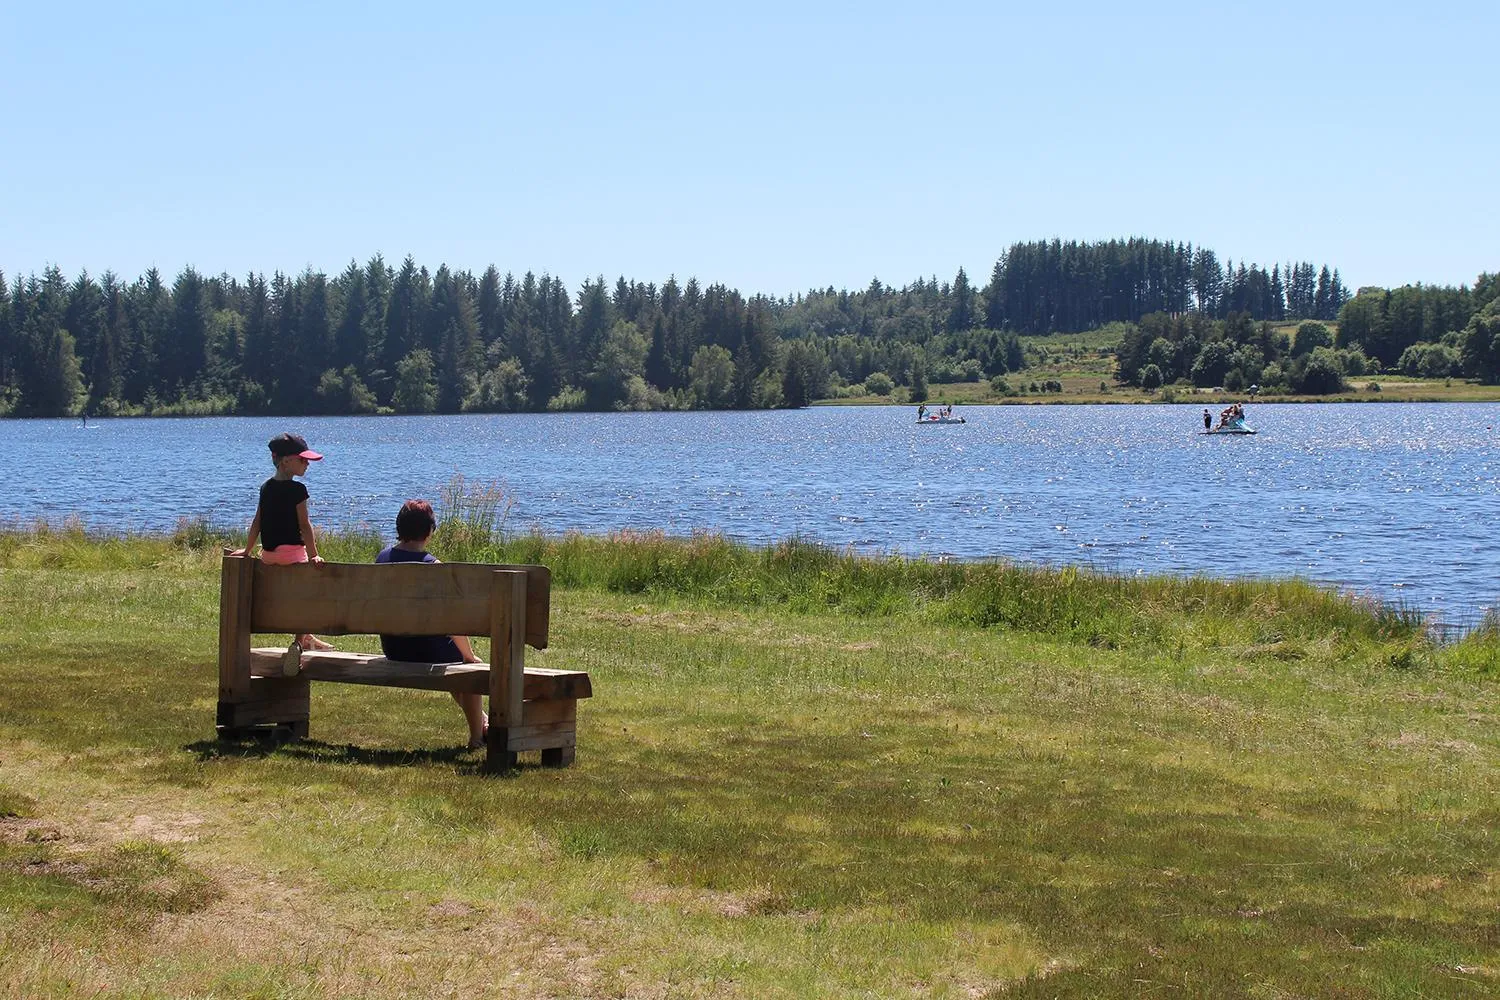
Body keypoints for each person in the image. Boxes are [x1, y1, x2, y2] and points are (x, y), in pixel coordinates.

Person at [375, 499, 489, 749]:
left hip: (395, 648)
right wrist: (469, 655)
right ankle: (477, 737)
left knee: (454, 658)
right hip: (426, 652)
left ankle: (483, 721)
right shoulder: (434, 567)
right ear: (429, 532)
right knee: (466, 665)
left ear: (399, 528)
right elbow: (453, 620)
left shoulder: (382, 559)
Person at [230, 432, 334, 673]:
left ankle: (307, 638)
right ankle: (299, 641)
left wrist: (247, 550)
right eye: (303, 459)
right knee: (307, 594)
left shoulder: (265, 488)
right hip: (292, 556)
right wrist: (314, 554)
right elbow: (304, 525)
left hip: (268, 556)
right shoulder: (298, 490)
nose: (307, 463)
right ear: (286, 461)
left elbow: (257, 521)